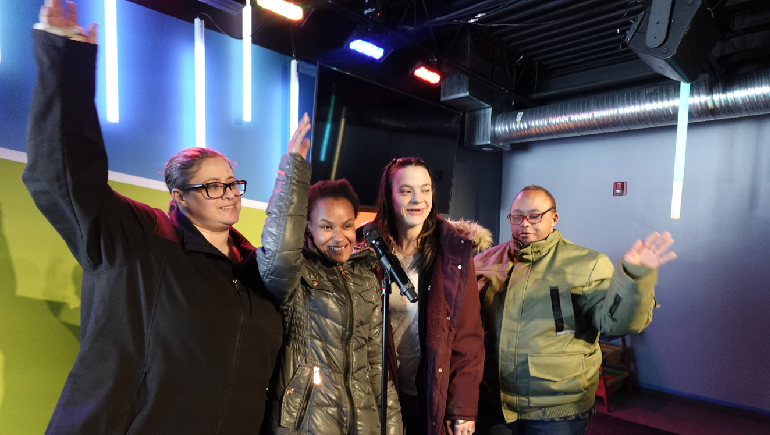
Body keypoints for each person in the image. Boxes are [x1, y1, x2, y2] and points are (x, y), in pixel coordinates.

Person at [23, 1, 282, 433]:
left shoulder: (255, 267)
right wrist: (65, 58)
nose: (229, 195)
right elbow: (63, 175)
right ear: (179, 197)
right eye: (212, 185)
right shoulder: (139, 239)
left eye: (232, 183)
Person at [473, 185, 676, 435]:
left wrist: (635, 276)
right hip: (494, 401)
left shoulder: (588, 264)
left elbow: (616, 324)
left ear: (554, 218)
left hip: (558, 407)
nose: (524, 224)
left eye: (534, 216)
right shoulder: (483, 262)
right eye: (517, 217)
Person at [256, 114, 402, 434]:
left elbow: (378, 366)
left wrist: (392, 429)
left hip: (363, 421)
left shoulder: (366, 275)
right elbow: (278, 254)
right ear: (307, 226)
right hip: (308, 421)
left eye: (347, 225)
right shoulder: (296, 273)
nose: (340, 237)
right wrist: (293, 170)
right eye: (326, 226)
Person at [368, 157, 489, 435]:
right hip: (380, 392)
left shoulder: (454, 254)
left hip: (431, 392)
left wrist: (462, 410)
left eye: (425, 189)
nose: (417, 199)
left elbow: (468, 337)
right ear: (388, 196)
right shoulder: (367, 250)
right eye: (406, 190)